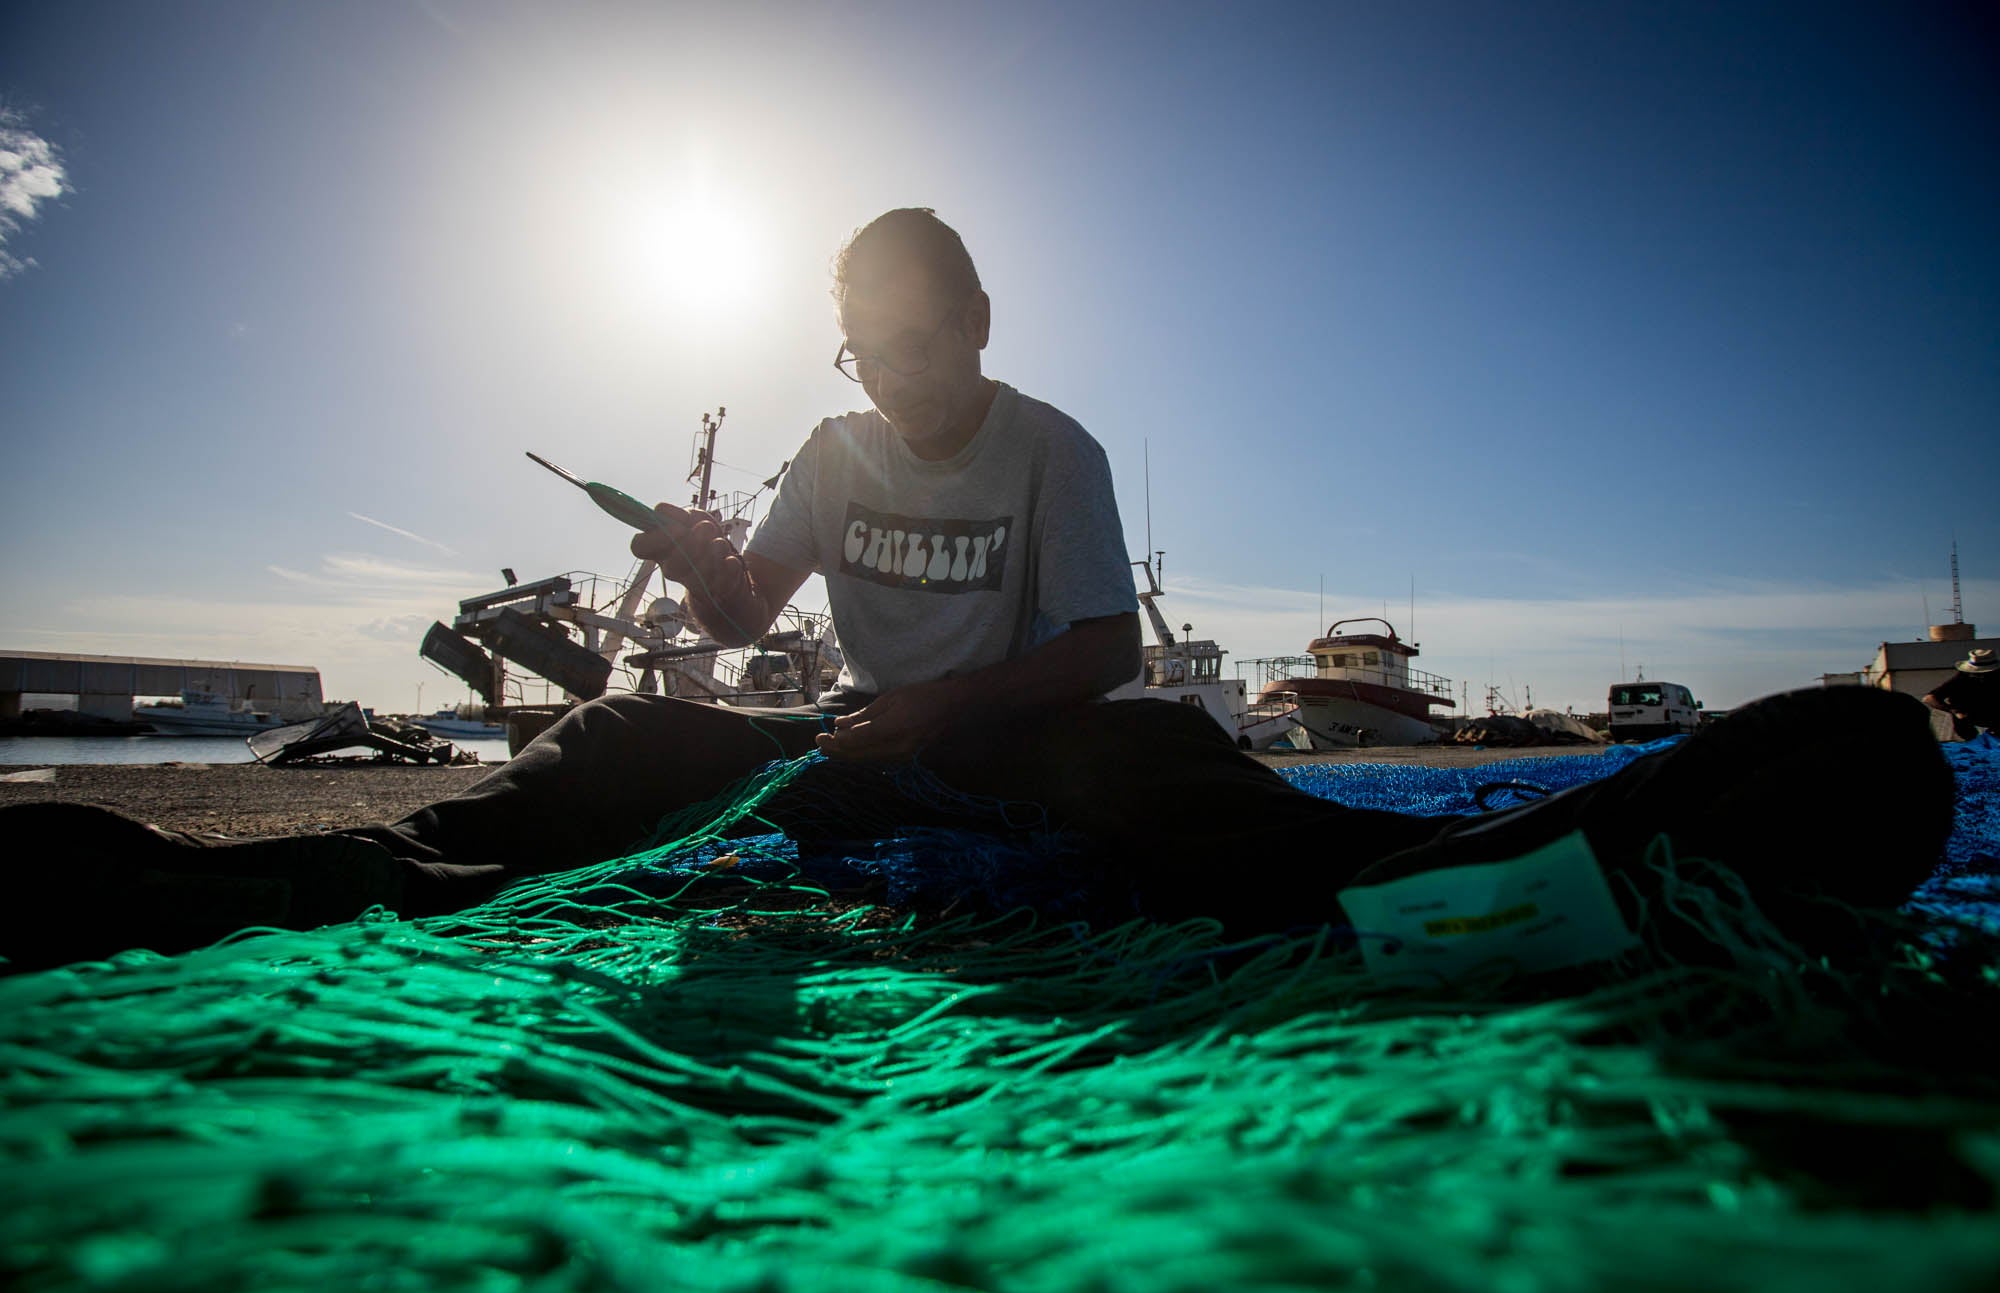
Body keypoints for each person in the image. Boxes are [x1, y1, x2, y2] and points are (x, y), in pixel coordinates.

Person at [0, 210, 1956, 973]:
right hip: (856, 745)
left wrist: (952, 707)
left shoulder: (1056, 449)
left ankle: (1510, 867)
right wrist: (710, 565)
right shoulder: (828, 448)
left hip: (1015, 740)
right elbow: (765, 613)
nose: (891, 378)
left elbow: (1102, 644)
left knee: (1140, 759)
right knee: (640, 737)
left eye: (920, 343)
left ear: (980, 327)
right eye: (861, 348)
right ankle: (276, 878)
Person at [1923, 647, 2000, 741]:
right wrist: (1953, 711)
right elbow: (1929, 698)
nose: (1981, 676)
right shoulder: (1963, 677)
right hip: (1967, 715)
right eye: (1978, 673)